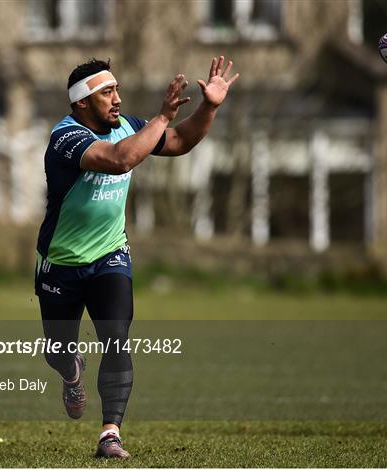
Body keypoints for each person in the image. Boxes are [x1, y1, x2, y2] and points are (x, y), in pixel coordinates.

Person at [34, 56, 239, 458]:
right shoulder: (65, 137)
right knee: (57, 351)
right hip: (60, 263)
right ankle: (71, 371)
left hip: (110, 254)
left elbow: (178, 142)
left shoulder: (128, 124)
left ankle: (110, 434)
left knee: (116, 337)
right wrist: (162, 116)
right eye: (106, 93)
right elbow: (118, 159)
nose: (117, 99)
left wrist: (208, 107)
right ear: (81, 103)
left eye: (116, 89)